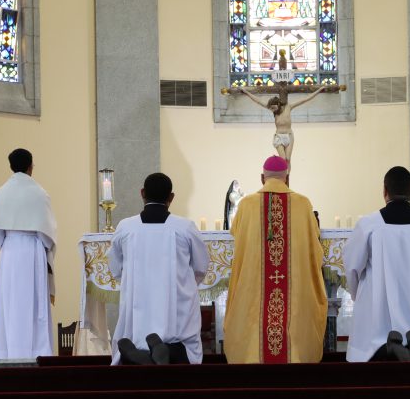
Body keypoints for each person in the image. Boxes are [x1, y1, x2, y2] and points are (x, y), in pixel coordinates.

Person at [225, 156, 328, 364]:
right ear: (287, 179)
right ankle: (295, 356)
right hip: (294, 288)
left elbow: (236, 234)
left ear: (262, 178)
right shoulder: (302, 203)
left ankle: (252, 355)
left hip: (255, 283)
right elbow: (315, 248)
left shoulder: (246, 204)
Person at [343, 166, 410, 363]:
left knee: (372, 326)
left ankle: (384, 347)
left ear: (385, 191)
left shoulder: (369, 224)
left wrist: (359, 294)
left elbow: (352, 267)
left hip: (379, 305)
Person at [109, 173, 211, 366]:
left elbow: (115, 268)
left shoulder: (126, 227)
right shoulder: (184, 227)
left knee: (134, 333)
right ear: (171, 197)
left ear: (142, 193)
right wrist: (184, 283)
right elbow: (200, 267)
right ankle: (170, 350)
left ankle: (139, 352)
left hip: (137, 302)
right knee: (183, 343)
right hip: (176, 306)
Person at [0, 148, 57, 359]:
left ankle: (8, 352)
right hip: (32, 250)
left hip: (9, 251)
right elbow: (48, 234)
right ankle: (37, 351)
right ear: (30, 166)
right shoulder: (39, 193)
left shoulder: (1, 193)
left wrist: (8, 241)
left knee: (10, 302)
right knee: (34, 304)